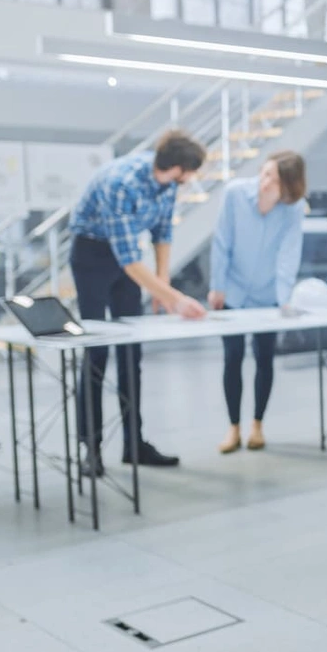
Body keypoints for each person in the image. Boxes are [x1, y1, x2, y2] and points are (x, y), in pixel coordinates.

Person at [70, 130, 208, 477]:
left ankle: (134, 445)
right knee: (96, 352)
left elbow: (162, 233)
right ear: (177, 169)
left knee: (131, 352)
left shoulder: (167, 184)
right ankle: (90, 449)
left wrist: (162, 285)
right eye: (190, 173)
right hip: (91, 255)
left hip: (128, 257)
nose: (191, 179)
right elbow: (130, 262)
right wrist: (176, 300)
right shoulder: (121, 183)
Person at [208, 151, 306, 454]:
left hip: (267, 296)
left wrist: (284, 299)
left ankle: (257, 426)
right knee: (232, 357)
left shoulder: (293, 209)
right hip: (233, 292)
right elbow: (221, 242)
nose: (264, 183)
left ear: (287, 187)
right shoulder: (235, 194)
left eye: (274, 180)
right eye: (264, 173)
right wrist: (217, 286)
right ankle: (233, 428)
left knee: (265, 359)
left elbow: (288, 254)